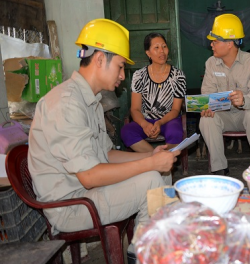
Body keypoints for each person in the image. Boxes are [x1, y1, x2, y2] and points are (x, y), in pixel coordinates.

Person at [27, 18, 180, 260]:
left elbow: (106, 154)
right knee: (153, 179)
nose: (122, 75)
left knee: (159, 172)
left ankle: (142, 248)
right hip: (71, 204)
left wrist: (150, 155)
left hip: (87, 192)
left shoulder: (90, 99)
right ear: (99, 59)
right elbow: (89, 177)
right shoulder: (66, 103)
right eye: (120, 66)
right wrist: (150, 164)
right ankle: (145, 253)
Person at [199, 14, 250, 175]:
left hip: (246, 115)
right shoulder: (210, 63)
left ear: (229, 43)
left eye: (215, 41)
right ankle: (219, 168)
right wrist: (207, 106)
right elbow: (207, 93)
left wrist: (244, 100)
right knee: (206, 120)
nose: (211, 44)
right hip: (225, 116)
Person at [121, 33, 186, 152]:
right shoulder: (139, 76)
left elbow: (176, 110)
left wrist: (160, 122)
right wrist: (144, 125)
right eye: (156, 48)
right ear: (148, 53)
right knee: (127, 131)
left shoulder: (178, 76)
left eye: (164, 46)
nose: (162, 51)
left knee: (175, 132)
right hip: (145, 120)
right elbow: (135, 109)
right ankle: (155, 158)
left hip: (168, 119)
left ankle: (165, 160)